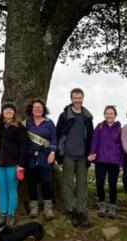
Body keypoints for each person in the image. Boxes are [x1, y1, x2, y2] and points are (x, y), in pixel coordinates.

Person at [56, 88, 94, 228]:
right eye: (75, 98)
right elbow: (58, 135)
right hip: (68, 155)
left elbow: (91, 137)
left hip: (83, 155)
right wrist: (59, 155)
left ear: (83, 98)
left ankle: (81, 211)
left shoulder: (87, 117)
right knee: (68, 184)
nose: (77, 100)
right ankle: (72, 211)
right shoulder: (64, 115)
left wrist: (91, 153)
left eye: (80, 98)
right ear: (71, 99)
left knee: (82, 184)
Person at [0, 101, 27, 228]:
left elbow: (23, 147)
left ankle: (11, 215)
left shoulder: (19, 127)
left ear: (14, 112)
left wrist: (21, 164)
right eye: (6, 109)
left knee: (12, 190)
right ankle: (3, 214)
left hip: (13, 164)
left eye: (11, 110)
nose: (8, 111)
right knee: (2, 190)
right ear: (2, 112)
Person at [88, 105, 123, 219]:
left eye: (111, 113)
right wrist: (92, 153)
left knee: (112, 185)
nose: (109, 115)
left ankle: (112, 207)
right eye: (107, 113)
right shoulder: (100, 126)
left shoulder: (119, 128)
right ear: (104, 114)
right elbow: (94, 141)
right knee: (100, 183)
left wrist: (121, 162)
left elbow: (122, 146)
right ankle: (102, 205)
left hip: (114, 160)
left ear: (115, 115)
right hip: (100, 160)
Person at [25, 99, 57, 220]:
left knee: (47, 182)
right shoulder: (27, 123)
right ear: (31, 109)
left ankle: (48, 208)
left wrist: (52, 152)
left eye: (40, 107)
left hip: (46, 157)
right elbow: (23, 140)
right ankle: (33, 207)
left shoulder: (49, 123)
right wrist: (30, 151)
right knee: (32, 182)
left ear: (43, 109)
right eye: (35, 107)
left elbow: (54, 138)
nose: (38, 109)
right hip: (31, 157)